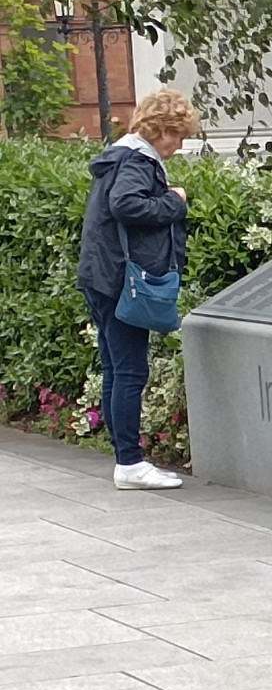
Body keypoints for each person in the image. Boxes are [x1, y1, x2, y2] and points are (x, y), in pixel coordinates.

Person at [76, 88, 201, 490]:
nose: (178, 147)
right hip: (122, 281)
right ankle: (129, 463)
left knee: (115, 368)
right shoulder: (136, 160)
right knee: (130, 370)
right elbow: (126, 205)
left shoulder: (119, 157)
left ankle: (124, 458)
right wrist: (175, 202)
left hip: (102, 276)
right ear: (161, 129)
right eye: (177, 136)